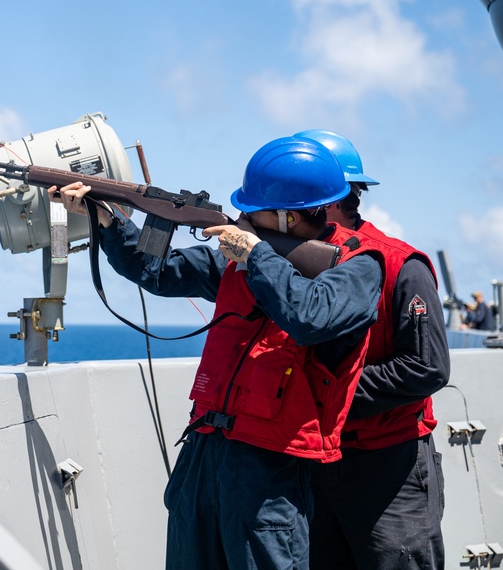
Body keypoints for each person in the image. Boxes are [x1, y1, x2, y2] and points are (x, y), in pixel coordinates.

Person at [49, 136, 385, 569]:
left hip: (270, 469)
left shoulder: (357, 266)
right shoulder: (242, 259)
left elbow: (310, 317)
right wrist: (109, 222)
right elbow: (156, 271)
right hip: (206, 450)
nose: (243, 218)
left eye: (254, 210)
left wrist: (257, 256)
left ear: (289, 216)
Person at [295, 129, 449, 570]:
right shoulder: (293, 264)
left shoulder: (402, 266)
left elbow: (427, 368)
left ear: (324, 199)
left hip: (390, 471)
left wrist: (329, 392)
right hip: (314, 462)